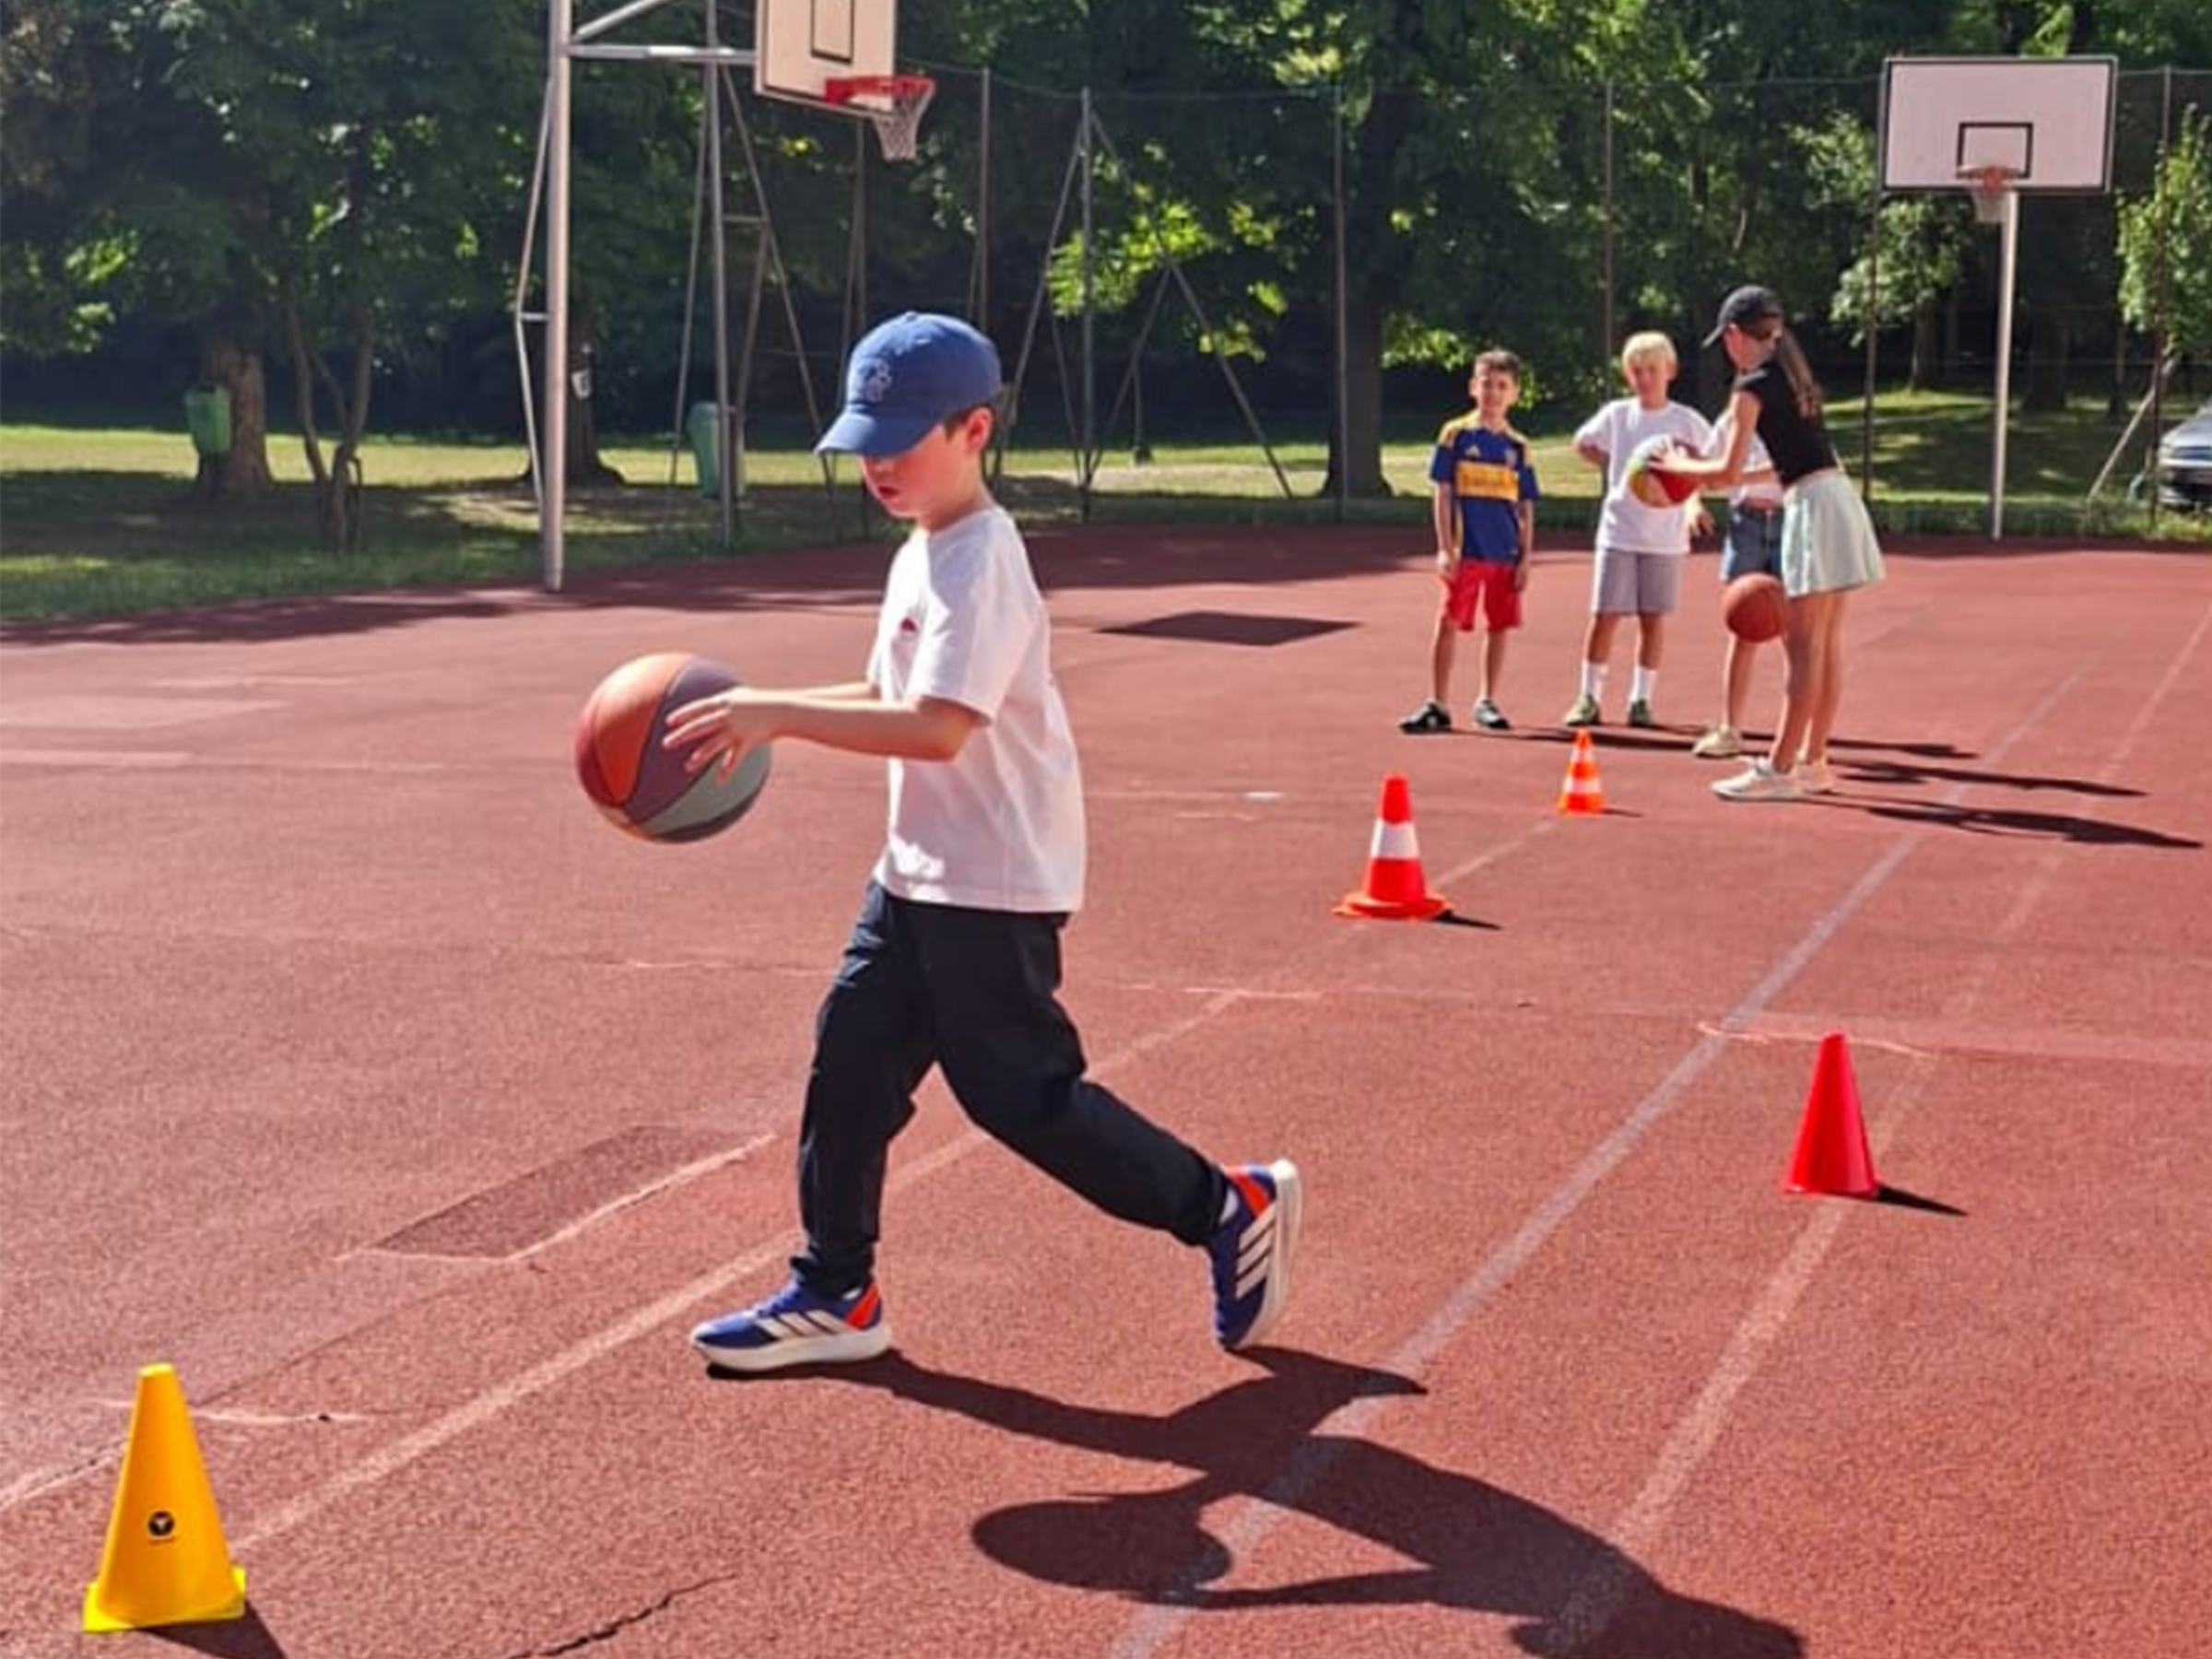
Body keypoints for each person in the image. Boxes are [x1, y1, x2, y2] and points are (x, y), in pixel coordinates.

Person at [662, 312, 1300, 1372]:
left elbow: (937, 728)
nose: (877, 462)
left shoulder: (982, 562)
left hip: (992, 883)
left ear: (975, 430)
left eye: (901, 438)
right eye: (864, 439)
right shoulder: (922, 548)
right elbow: (883, 692)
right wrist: (756, 704)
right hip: (919, 874)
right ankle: (836, 1291)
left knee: (1024, 1102)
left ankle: (1223, 1208)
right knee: (850, 1063)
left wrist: (771, 715)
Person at [1653, 286, 1885, 801]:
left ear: (1735, 335)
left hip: (1811, 504)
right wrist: (1690, 473)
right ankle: (1814, 761)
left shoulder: (1751, 385)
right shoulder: (1795, 373)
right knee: (1825, 644)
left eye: (1726, 340)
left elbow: (1726, 472)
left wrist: (1675, 468)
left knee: (1803, 647)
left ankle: (1780, 768)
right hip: (1835, 496)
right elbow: (1780, 462)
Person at [1562, 332, 1712, 730]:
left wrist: (1692, 501)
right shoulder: (1617, 415)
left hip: (1664, 538)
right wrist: (1614, 469)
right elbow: (1581, 442)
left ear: (1671, 371)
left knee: (1652, 618)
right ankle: (1589, 697)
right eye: (1637, 371)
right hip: (1619, 532)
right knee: (1605, 615)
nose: (1645, 378)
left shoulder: (1685, 421)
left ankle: (1641, 700)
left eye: (1652, 370)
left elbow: (1709, 462)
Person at [1397, 349, 1538, 735]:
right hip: (1466, 550)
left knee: (1499, 626)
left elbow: (1525, 505)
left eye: (1502, 386)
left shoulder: (1519, 447)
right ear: (1473, 387)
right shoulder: (1455, 435)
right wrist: (1445, 546)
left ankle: (1487, 699)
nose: (1493, 392)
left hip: (1505, 553)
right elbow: (1442, 492)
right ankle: (1438, 702)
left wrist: (1526, 556)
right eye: (1486, 384)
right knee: (1448, 621)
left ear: (1514, 394)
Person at [1688, 407, 1786, 760]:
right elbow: (1704, 468)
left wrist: (1734, 474)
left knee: (1796, 634)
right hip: (1746, 522)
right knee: (1743, 626)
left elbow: (1789, 468)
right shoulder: (1732, 418)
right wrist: (1693, 503)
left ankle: (1797, 736)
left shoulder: (1793, 413)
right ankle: (1730, 728)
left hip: (1789, 519)